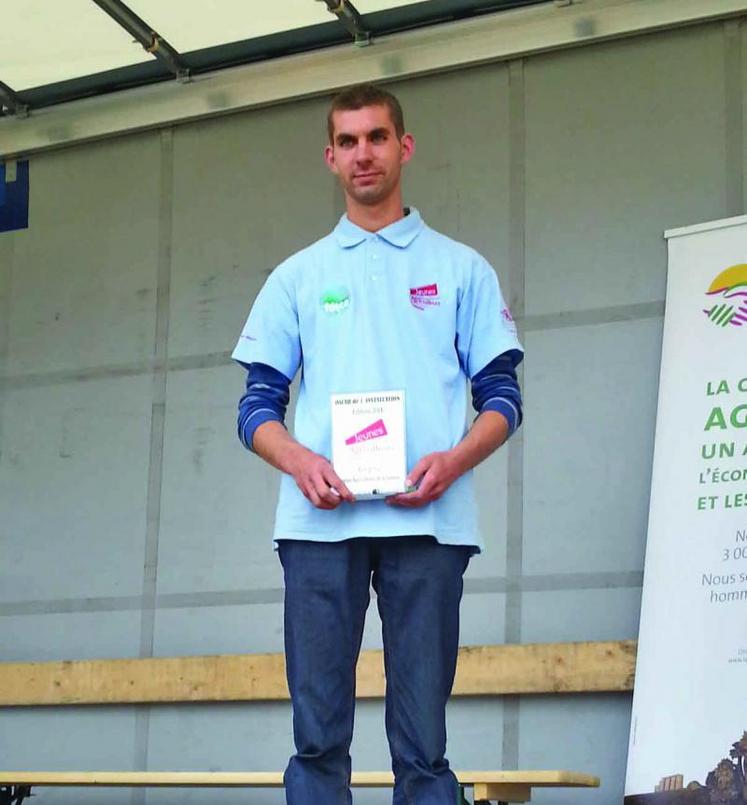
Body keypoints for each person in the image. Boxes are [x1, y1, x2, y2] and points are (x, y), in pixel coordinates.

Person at [232, 83, 523, 805]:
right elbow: (256, 407)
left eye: (378, 137)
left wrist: (452, 462)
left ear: (404, 146)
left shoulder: (462, 269)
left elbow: (504, 400)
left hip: (429, 522)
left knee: (423, 745)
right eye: (349, 141)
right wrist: (300, 460)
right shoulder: (295, 276)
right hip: (317, 528)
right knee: (317, 739)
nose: (364, 152)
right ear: (330, 157)